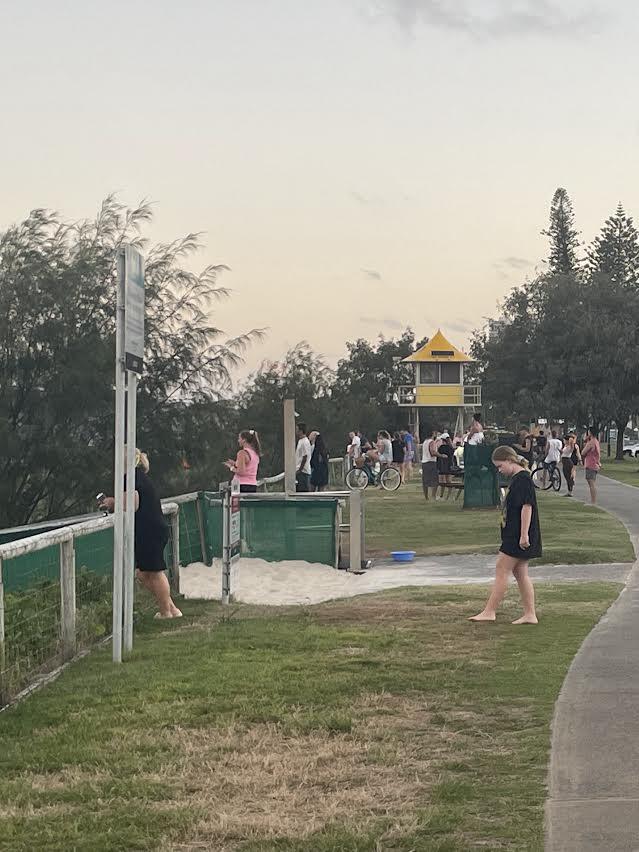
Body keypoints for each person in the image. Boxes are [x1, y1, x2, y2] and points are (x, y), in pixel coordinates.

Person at [100, 449, 181, 620]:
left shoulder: (131, 479)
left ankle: (166, 612)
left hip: (149, 531)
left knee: (155, 572)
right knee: (143, 574)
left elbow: (133, 502)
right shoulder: (139, 477)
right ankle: (171, 607)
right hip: (152, 529)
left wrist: (112, 502)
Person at [470, 446, 540, 625]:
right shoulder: (518, 479)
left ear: (510, 460)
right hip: (514, 533)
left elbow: (527, 507)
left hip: (517, 535)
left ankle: (489, 611)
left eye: (500, 466)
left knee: (501, 569)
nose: (499, 470)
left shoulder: (523, 479)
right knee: (520, 573)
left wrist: (524, 535)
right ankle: (530, 614)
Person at [581, 427, 601, 504]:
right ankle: (593, 500)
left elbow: (583, 452)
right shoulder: (596, 441)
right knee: (591, 483)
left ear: (590, 433)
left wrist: (586, 440)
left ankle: (593, 501)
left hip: (591, 464)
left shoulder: (591, 442)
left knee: (591, 483)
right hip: (595, 463)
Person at [421, 429, 440, 501]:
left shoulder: (425, 442)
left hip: (424, 462)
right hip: (431, 462)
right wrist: (441, 455)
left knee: (425, 480)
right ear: (432, 434)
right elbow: (433, 452)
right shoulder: (432, 442)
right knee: (434, 480)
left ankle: (426, 497)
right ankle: (433, 496)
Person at [436, 432, 455, 500]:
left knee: (442, 481)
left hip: (442, 465)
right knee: (449, 481)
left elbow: (438, 456)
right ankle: (450, 496)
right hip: (449, 465)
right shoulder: (451, 448)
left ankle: (441, 495)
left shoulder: (441, 448)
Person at [295, 423, 312, 492]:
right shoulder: (300, 441)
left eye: (297, 429)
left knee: (303, 491)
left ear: (301, 431)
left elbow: (305, 456)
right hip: (299, 470)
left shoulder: (305, 442)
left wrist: (300, 469)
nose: (296, 431)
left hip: (303, 472)